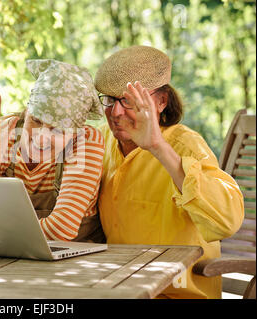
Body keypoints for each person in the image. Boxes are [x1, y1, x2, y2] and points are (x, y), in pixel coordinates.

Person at [94, 45, 244, 298]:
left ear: (161, 101)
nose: (116, 112)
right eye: (109, 100)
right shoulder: (100, 142)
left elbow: (228, 221)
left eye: (128, 100)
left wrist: (158, 148)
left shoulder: (186, 145)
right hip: (117, 287)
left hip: (176, 293)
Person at [0, 59, 106, 243]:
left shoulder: (86, 141)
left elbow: (61, 230)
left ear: (74, 133)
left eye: (57, 129)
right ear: (26, 112)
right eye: (36, 120)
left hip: (77, 259)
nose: (41, 138)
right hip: (5, 255)